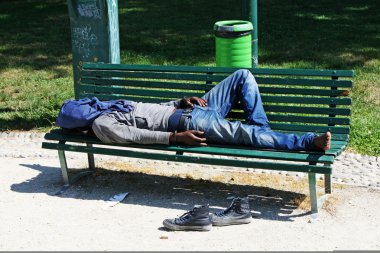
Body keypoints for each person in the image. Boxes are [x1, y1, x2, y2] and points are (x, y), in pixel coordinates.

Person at [92, 69, 331, 151]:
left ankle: (261, 133)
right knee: (249, 135)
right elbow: (138, 136)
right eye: (80, 109)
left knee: (242, 76)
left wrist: (181, 101)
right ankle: (310, 142)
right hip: (188, 126)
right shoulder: (101, 124)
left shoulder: (109, 106)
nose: (88, 104)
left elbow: (152, 109)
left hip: (194, 110)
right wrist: (174, 138)